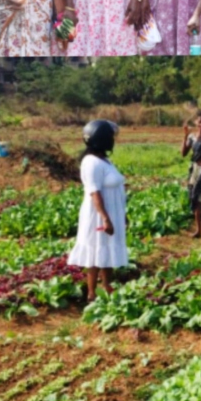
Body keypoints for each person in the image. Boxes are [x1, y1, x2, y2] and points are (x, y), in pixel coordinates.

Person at [68, 120, 128, 302]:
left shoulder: (104, 160)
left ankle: (106, 286)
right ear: (103, 139)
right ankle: (92, 294)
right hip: (98, 216)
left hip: (112, 213)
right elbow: (94, 192)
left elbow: (114, 189)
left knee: (107, 251)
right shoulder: (91, 162)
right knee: (95, 253)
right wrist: (105, 218)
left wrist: (122, 215)